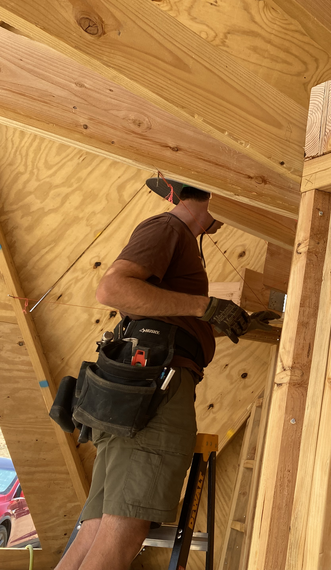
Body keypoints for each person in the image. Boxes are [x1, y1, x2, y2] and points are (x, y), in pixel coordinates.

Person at [56, 182, 250, 570]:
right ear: (210, 195)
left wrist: (211, 318)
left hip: (136, 390)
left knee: (95, 531)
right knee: (124, 532)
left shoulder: (175, 236)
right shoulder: (167, 228)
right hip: (155, 389)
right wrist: (205, 307)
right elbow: (112, 288)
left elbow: (164, 313)